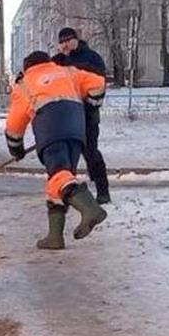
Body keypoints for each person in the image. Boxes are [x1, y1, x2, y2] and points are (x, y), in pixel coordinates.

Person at [5, 50, 108, 250]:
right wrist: (91, 106)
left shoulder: (24, 84)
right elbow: (98, 84)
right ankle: (55, 237)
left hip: (50, 129)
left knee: (59, 174)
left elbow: (14, 125)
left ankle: (90, 209)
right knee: (59, 178)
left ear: (27, 68)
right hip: (77, 131)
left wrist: (16, 149)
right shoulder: (69, 72)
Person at [52, 27, 111, 204]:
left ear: (76, 39)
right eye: (61, 42)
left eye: (68, 40)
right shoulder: (58, 62)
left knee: (90, 152)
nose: (65, 45)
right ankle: (70, 193)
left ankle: (103, 190)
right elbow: (41, 72)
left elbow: (99, 83)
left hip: (87, 115)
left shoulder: (91, 58)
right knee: (67, 157)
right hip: (65, 118)